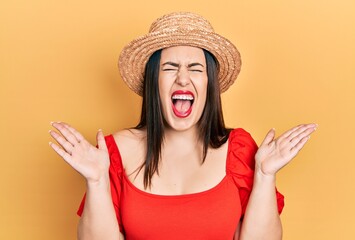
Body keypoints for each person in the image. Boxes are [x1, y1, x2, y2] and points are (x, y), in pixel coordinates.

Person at [49, 12, 317, 240]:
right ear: (154, 82)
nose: (183, 79)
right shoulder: (113, 153)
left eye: (196, 68)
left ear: (209, 84)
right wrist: (96, 181)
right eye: (170, 68)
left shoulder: (238, 150)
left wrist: (264, 175)